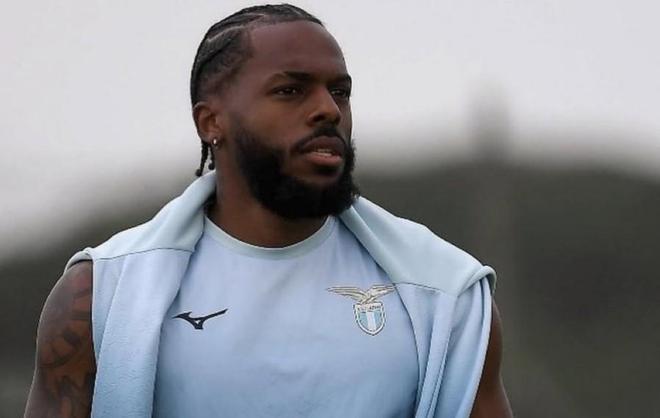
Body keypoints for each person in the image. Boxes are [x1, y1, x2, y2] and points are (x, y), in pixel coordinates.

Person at [25, 4, 512, 418]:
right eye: (290, 90)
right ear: (211, 121)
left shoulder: (444, 294)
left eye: (339, 91)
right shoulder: (101, 296)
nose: (328, 109)